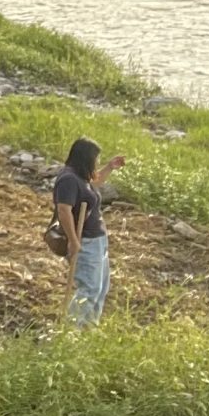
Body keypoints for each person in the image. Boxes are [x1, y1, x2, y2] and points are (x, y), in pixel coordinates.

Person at [54, 136, 126, 326]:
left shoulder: (80, 176)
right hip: (84, 240)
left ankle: (88, 328)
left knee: (100, 288)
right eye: (96, 158)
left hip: (98, 240)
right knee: (89, 288)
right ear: (85, 158)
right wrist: (73, 241)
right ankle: (71, 329)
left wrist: (110, 167)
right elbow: (64, 210)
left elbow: (94, 183)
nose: (97, 162)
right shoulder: (68, 179)